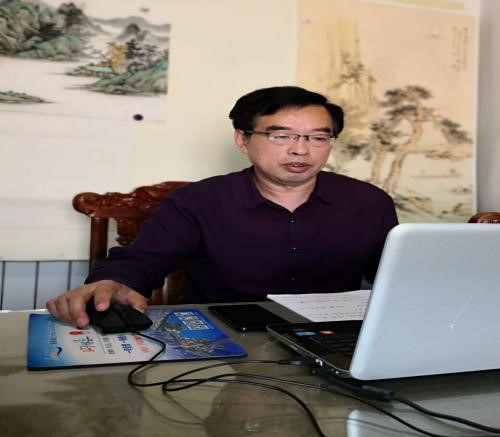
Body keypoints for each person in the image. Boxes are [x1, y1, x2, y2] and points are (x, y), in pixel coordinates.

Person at [47, 86, 399, 328]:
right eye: (281, 135)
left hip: (335, 339)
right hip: (225, 339)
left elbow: (396, 279)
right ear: (242, 140)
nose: (301, 149)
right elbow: (143, 259)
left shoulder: (369, 203)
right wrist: (113, 283)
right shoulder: (198, 201)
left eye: (318, 137)